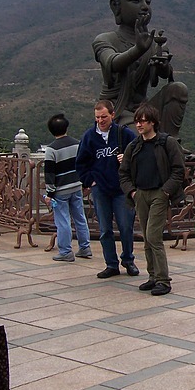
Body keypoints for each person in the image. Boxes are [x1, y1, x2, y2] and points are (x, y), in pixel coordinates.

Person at [93, 0, 188, 137]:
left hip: (144, 110)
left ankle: (170, 141)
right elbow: (113, 63)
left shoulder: (152, 43)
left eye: (148, 2)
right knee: (138, 137)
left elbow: (155, 80)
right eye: (136, 1)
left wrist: (163, 67)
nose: (144, 7)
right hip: (119, 111)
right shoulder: (105, 40)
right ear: (116, 6)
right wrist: (138, 49)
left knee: (178, 89)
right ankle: (159, 142)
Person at [119, 104, 186, 296]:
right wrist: (132, 192)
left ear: (153, 122)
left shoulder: (167, 142)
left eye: (142, 121)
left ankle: (163, 280)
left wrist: (166, 192)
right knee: (147, 237)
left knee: (153, 235)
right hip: (140, 193)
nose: (138, 124)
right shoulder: (134, 146)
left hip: (159, 193)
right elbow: (123, 172)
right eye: (137, 120)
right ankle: (153, 276)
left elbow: (178, 170)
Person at [75, 100, 139, 279]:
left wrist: (127, 157)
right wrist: (90, 181)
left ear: (112, 115)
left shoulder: (124, 134)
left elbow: (139, 154)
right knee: (105, 229)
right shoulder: (89, 137)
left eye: (104, 116)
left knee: (126, 227)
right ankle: (111, 264)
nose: (100, 120)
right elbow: (81, 163)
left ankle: (128, 260)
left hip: (121, 189)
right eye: (97, 117)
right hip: (100, 189)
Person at [43, 114, 92, 262]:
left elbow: (49, 174)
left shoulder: (51, 150)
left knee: (62, 220)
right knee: (80, 217)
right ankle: (85, 247)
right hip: (76, 187)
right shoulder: (78, 144)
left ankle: (65, 251)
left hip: (61, 190)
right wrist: (84, 183)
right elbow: (83, 165)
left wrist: (49, 193)